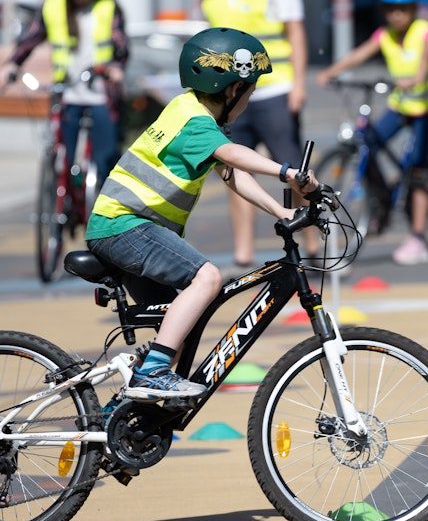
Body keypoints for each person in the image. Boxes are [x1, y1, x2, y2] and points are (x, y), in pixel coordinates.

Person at [85, 27, 318, 402]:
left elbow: (231, 174)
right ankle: (152, 373)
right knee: (207, 279)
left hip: (125, 228)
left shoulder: (189, 112)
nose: (251, 98)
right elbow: (233, 156)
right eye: (250, 89)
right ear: (231, 89)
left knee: (180, 322)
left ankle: (127, 416)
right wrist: (288, 173)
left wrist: (281, 209)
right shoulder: (195, 121)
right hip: (124, 226)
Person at [195, 0, 315, 268]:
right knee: (233, 170)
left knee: (292, 169)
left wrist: (299, 85)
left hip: (274, 87)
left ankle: (314, 243)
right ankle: (244, 253)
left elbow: (295, 31)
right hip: (230, 94)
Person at [316, 0, 428, 266]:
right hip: (400, 105)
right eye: (390, 9)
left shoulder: (427, 32)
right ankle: (382, 201)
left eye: (402, 9)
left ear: (414, 9)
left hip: (426, 107)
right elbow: (359, 55)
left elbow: (426, 60)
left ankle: (419, 236)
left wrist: (417, 79)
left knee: (417, 169)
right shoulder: (385, 35)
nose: (396, 15)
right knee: (368, 142)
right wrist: (331, 71)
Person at [0, 0, 128, 180]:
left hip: (101, 94)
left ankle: (103, 206)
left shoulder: (108, 6)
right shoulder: (53, 7)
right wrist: (12, 64)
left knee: (105, 158)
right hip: (66, 94)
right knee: (61, 156)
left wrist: (116, 67)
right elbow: (30, 40)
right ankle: (63, 203)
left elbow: (121, 46)